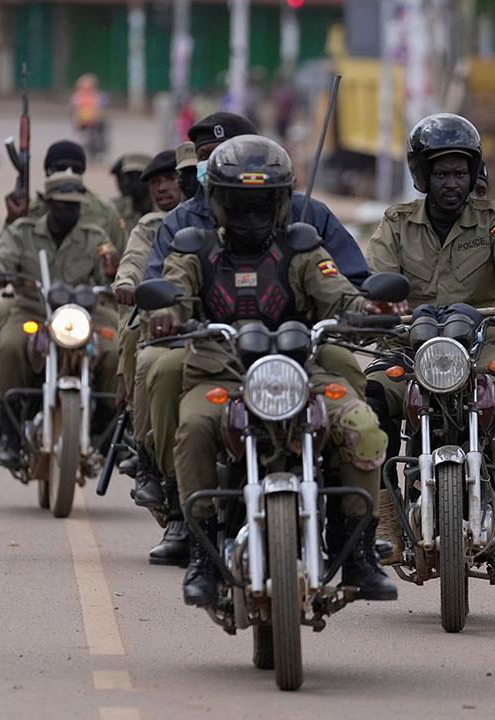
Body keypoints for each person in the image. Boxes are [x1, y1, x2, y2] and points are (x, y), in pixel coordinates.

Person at [149, 134, 397, 606]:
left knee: (363, 425)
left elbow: (339, 293)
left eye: (262, 202)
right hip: (219, 374)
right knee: (195, 427)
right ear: (217, 202)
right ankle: (202, 553)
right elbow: (173, 289)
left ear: (282, 202)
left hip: (299, 372)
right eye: (239, 203)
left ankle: (358, 551)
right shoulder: (193, 249)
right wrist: (166, 313)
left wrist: (368, 309)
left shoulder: (303, 249)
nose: (251, 213)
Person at [365, 113, 495, 563]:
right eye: (441, 173)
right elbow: (372, 277)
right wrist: (373, 306)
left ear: (473, 175)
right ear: (422, 175)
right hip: (408, 343)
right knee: (372, 396)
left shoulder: (494, 221)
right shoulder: (395, 223)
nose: (451, 183)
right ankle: (386, 515)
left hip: (478, 344)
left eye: (459, 173)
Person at [0, 140, 126, 444]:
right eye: (60, 205)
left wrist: (115, 275)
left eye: (73, 206)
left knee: (115, 351)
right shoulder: (22, 230)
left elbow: (110, 276)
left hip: (87, 312)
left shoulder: (96, 235)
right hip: (34, 309)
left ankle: (109, 424)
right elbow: (2, 257)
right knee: (8, 346)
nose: (67, 212)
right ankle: (10, 421)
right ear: (47, 203)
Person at [142, 112, 370, 288]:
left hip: (298, 338)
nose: (214, 163)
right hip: (208, 341)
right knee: (155, 352)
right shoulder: (179, 222)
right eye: (205, 157)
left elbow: (354, 281)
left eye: (225, 154)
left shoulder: (308, 213)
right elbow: (158, 290)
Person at [111, 150, 186, 564]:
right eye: (154, 182)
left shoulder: (237, 218)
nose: (163, 187)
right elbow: (136, 265)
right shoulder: (153, 226)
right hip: (173, 329)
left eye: (173, 178)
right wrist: (125, 282)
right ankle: (148, 460)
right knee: (138, 336)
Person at [110, 153, 154, 235]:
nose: (127, 182)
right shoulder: (115, 211)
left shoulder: (166, 209)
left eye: (136, 176)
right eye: (127, 177)